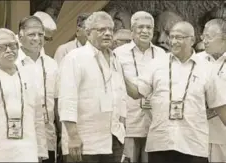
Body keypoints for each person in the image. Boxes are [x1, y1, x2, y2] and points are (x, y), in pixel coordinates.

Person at [124, 21, 226, 163]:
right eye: (171, 37)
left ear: (192, 40)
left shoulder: (207, 69)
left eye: (179, 37)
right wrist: (120, 74)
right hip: (160, 143)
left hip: (193, 145)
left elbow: (222, 108)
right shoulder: (156, 64)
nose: (173, 41)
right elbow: (136, 93)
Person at [59, 11, 127, 163]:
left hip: (114, 138)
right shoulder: (75, 58)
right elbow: (67, 99)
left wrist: (123, 129)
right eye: (102, 30)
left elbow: (121, 96)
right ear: (88, 33)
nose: (108, 33)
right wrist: (73, 136)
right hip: (85, 140)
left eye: (111, 29)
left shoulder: (116, 59)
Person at [114, 11, 166, 163]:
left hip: (154, 123)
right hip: (129, 123)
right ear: (132, 31)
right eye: (140, 27)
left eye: (149, 28)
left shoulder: (161, 54)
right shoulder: (118, 54)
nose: (145, 31)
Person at [0, 28, 48, 162]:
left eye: (13, 45)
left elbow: (38, 116)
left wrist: (41, 149)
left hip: (28, 149)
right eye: (3, 47)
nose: (9, 50)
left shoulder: (29, 74)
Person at [16, 16, 58, 163]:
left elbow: (57, 102)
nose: (37, 39)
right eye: (31, 34)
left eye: (40, 35)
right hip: (19, 138)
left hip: (47, 136)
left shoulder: (52, 64)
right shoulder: (11, 63)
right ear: (20, 36)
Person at [197, 18, 226, 162]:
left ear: (224, 38)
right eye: (203, 36)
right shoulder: (196, 60)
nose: (205, 41)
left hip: (223, 133)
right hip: (198, 134)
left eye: (209, 37)